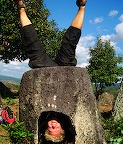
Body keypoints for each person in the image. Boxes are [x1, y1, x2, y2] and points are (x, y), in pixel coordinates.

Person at [16, 0, 86, 143]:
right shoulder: (68, 120)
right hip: (65, 72)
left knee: (33, 46)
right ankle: (82, 7)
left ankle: (21, 7)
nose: (53, 125)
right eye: (56, 129)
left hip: (44, 70)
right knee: (69, 43)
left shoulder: (44, 119)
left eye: (50, 129)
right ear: (63, 129)